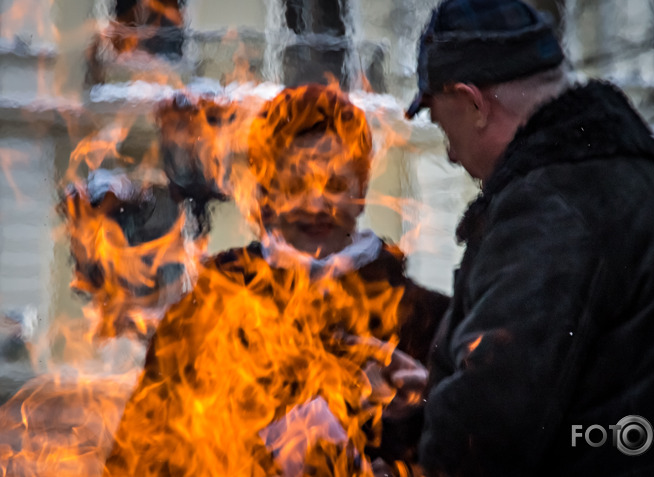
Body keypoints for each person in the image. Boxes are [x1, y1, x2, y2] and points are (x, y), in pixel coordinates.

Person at [394, 0, 654, 475]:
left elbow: (485, 434)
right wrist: (438, 390)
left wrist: (409, 430)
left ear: (474, 103)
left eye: (444, 124)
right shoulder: (618, 179)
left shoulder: (552, 209)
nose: (450, 155)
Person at [102, 84, 449, 476]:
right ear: (265, 190)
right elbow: (137, 457)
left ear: (363, 189)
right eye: (296, 184)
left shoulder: (424, 319)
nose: (317, 204)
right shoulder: (204, 312)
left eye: (336, 185)